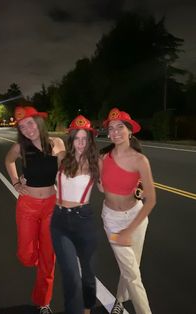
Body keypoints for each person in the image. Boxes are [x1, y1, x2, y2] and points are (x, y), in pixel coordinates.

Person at [5, 104, 65, 314]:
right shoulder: (20, 147)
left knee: (48, 259)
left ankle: (44, 302)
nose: (27, 129)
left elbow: (70, 164)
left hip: (50, 205)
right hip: (28, 205)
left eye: (30, 123)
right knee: (26, 255)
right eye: (22, 127)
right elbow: (9, 160)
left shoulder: (56, 143)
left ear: (39, 122)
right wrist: (15, 182)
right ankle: (40, 255)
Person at [99, 108, 156, 314]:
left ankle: (120, 301)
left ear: (130, 131)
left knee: (131, 268)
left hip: (136, 219)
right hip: (112, 220)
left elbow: (151, 200)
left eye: (120, 127)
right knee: (132, 273)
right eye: (111, 128)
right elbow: (100, 186)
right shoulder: (103, 157)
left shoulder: (140, 160)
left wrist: (128, 231)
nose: (114, 132)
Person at [50, 115, 100, 314]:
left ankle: (87, 309)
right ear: (71, 140)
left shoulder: (97, 163)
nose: (81, 143)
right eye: (77, 138)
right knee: (70, 275)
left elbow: (114, 184)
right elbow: (43, 142)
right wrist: (23, 177)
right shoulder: (62, 158)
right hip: (60, 222)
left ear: (90, 141)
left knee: (88, 273)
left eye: (85, 139)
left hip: (84, 221)